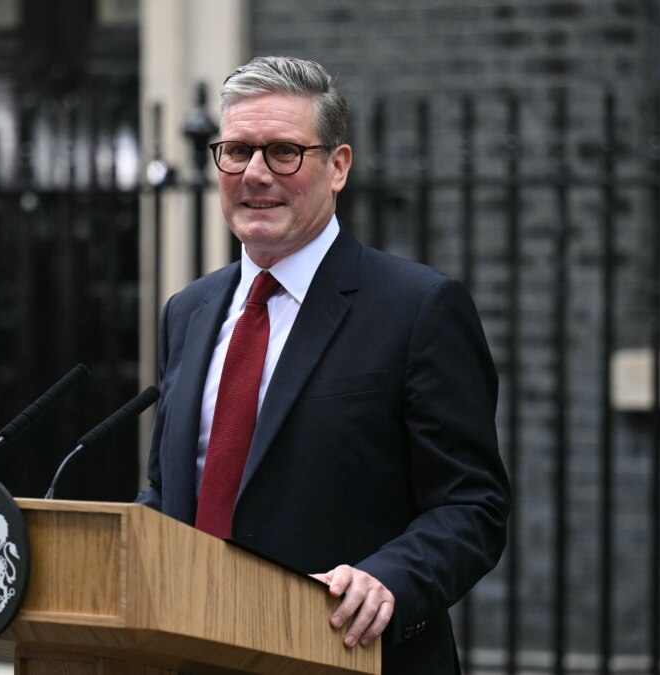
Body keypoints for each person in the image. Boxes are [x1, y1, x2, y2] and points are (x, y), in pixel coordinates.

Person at [136, 55, 509, 674]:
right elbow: (170, 491)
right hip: (195, 653)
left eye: (284, 152)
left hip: (344, 654)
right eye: (237, 151)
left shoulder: (418, 307)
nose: (255, 173)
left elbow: (472, 505)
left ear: (338, 167)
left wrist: (388, 580)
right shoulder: (188, 311)